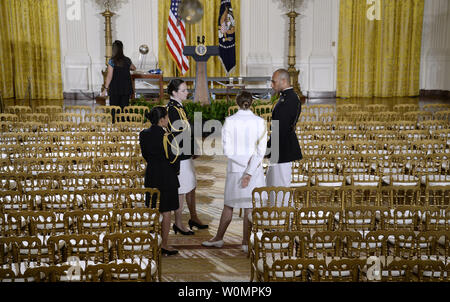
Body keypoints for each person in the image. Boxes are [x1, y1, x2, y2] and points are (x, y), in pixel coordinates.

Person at [202, 91, 267, 252]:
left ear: (237, 103)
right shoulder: (260, 121)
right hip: (255, 171)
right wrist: (249, 171)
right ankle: (245, 242)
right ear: (252, 103)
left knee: (229, 205)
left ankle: (218, 238)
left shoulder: (230, 121)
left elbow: (228, 150)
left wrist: (244, 169)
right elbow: (261, 151)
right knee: (249, 207)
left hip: (236, 170)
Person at [167, 79, 208, 235]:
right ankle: (178, 223)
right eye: (183, 90)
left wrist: (194, 148)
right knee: (182, 190)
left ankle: (194, 217)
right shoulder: (172, 109)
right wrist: (191, 150)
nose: (187, 93)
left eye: (186, 90)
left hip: (186, 154)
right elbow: (179, 135)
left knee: (191, 186)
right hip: (180, 155)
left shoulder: (179, 107)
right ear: (174, 93)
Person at [139, 106, 180, 256]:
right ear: (162, 120)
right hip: (167, 176)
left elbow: (145, 155)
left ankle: (152, 242)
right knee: (166, 210)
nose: (168, 120)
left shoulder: (143, 134)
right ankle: (164, 244)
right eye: (167, 117)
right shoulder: (168, 136)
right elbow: (175, 158)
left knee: (153, 209)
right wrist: (175, 172)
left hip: (151, 175)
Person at [266, 69, 302, 199]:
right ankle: (273, 215)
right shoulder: (286, 97)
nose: (272, 85)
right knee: (272, 185)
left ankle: (284, 217)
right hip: (279, 149)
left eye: (274, 82)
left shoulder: (289, 100)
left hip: (282, 150)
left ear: (283, 81)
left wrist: (268, 149)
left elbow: (280, 130)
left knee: (281, 189)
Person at [102, 40, 136, 122]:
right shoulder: (127, 60)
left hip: (115, 88)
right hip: (125, 88)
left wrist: (105, 88)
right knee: (125, 108)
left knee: (114, 109)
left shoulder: (112, 61)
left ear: (114, 49)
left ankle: (115, 126)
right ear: (122, 49)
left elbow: (109, 76)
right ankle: (125, 127)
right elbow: (133, 68)